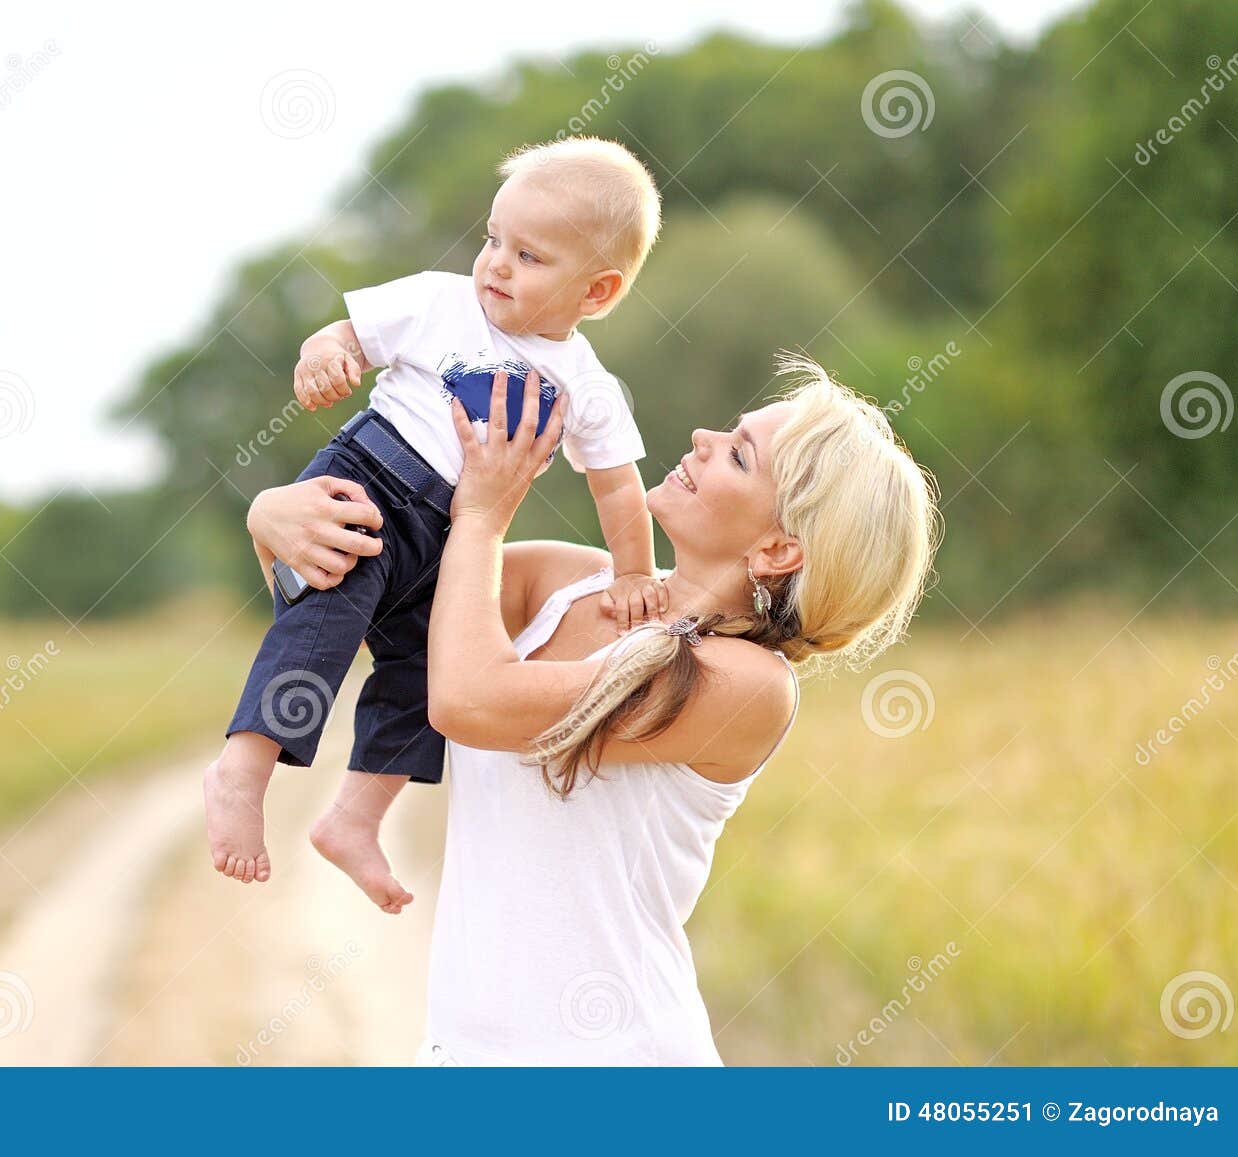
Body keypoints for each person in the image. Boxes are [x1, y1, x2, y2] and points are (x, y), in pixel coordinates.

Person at [246, 359, 941, 1064]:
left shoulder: (749, 683)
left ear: (777, 548)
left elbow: (464, 699)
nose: (702, 436)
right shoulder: (566, 581)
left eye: (739, 452)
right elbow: (361, 599)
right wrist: (273, 519)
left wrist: (482, 514)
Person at [207, 137, 667, 913]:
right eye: (493, 239)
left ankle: (355, 817)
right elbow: (346, 336)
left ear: (598, 292)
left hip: (451, 541)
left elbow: (620, 491)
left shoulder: (587, 385)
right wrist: (324, 355)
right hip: (367, 482)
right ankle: (242, 767)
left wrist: (632, 573)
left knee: (427, 675)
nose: (495, 264)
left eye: (529, 255)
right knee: (323, 617)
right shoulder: (439, 300)